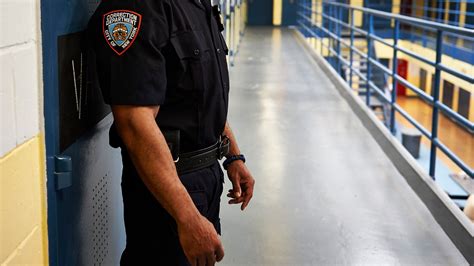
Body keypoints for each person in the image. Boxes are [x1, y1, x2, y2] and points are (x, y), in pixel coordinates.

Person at [88, 0, 255, 265]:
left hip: (206, 179)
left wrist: (233, 155)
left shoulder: (197, 4)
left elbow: (200, 95)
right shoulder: (137, 6)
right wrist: (187, 217)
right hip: (168, 189)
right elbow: (134, 122)